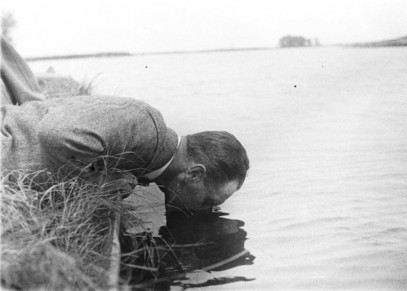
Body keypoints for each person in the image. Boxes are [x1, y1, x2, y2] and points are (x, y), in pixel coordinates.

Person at [0, 37, 249, 211]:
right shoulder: (143, 122)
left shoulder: (149, 151)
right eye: (208, 202)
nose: (204, 210)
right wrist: (95, 184)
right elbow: (54, 132)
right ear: (194, 173)